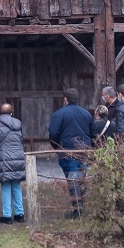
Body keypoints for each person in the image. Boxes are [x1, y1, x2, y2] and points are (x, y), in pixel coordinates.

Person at [48, 88, 92, 218]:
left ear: (65, 99)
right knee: (81, 178)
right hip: (83, 149)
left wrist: (56, 146)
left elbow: (53, 133)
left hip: (67, 150)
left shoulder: (59, 114)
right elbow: (92, 132)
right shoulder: (86, 113)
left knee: (73, 179)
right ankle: (82, 205)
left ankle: (77, 210)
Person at [0, 103, 25, 224]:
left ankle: (7, 215)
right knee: (16, 185)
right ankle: (19, 214)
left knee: (6, 185)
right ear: (11, 113)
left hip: (5, 157)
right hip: (18, 156)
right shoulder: (18, 123)